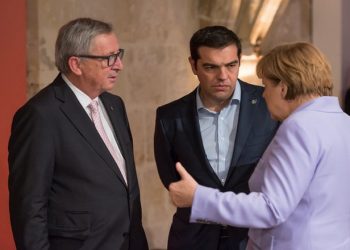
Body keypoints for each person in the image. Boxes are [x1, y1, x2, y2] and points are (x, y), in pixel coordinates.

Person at [169, 42, 350, 250]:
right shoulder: (344, 122)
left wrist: (199, 197)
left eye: (266, 86)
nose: (263, 95)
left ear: (283, 88)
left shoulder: (299, 127)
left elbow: (271, 209)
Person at [8, 18, 148, 250]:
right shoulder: (40, 115)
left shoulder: (115, 105)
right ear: (76, 64)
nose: (119, 65)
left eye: (119, 54)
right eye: (109, 58)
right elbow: (29, 207)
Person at [154, 26, 278, 250]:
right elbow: (173, 181)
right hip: (192, 240)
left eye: (231, 65)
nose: (223, 76)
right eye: (211, 67)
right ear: (193, 65)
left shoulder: (267, 105)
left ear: (239, 61)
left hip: (252, 239)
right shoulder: (169, 116)